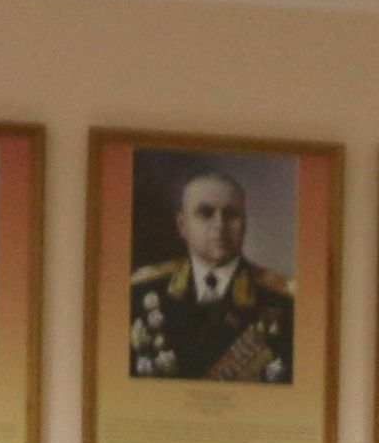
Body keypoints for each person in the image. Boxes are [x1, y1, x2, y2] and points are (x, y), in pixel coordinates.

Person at [126, 161, 296, 382]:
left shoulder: (284, 301)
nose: (219, 225)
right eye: (205, 213)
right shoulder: (140, 292)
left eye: (231, 214)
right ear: (182, 225)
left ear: (244, 223)